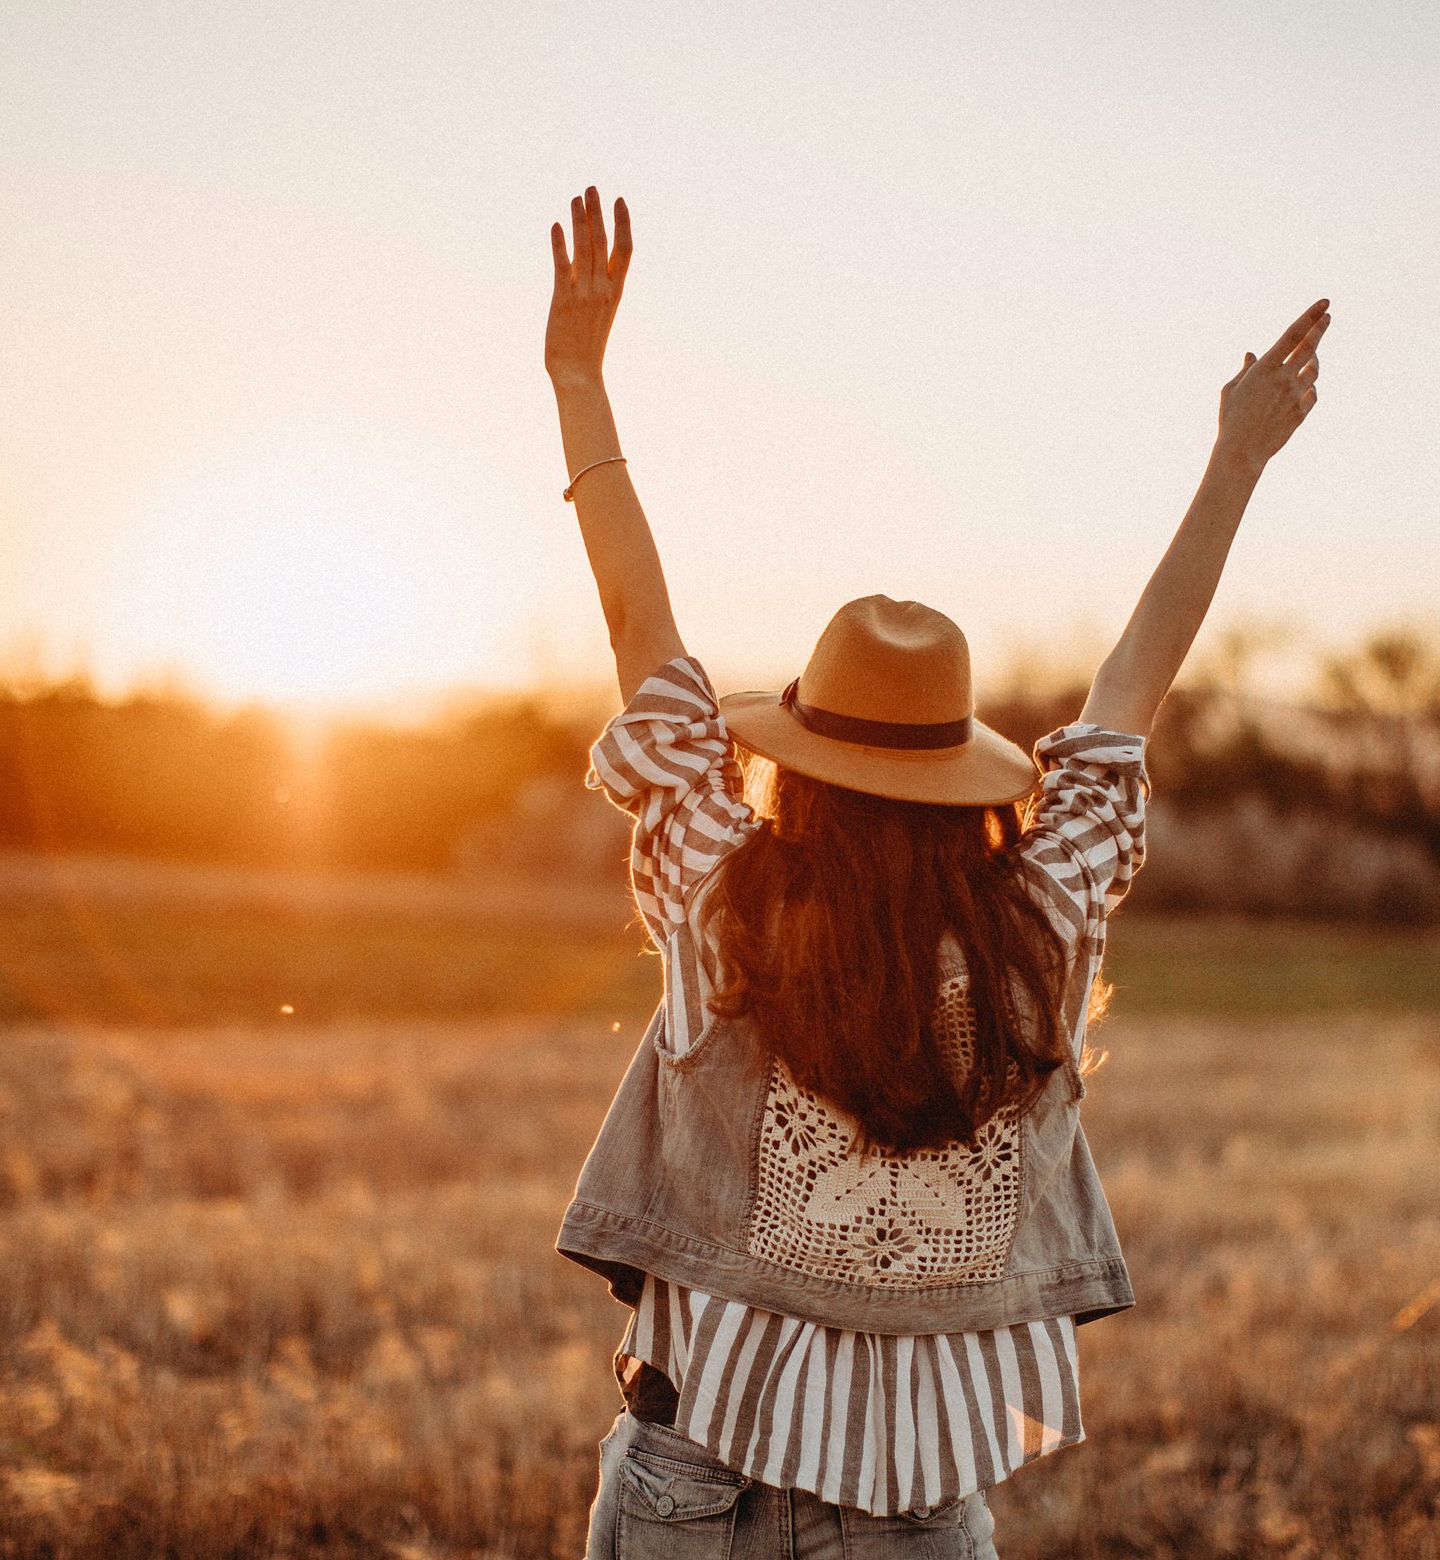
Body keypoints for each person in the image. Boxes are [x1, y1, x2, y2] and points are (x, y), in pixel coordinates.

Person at [545, 185, 1326, 1559]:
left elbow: (638, 628)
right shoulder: (1046, 919)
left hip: (687, 1484)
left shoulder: (719, 889)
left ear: (798, 755)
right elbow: (1134, 685)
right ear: (962, 777)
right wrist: (1236, 462)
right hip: (910, 1516)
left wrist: (578, 381)